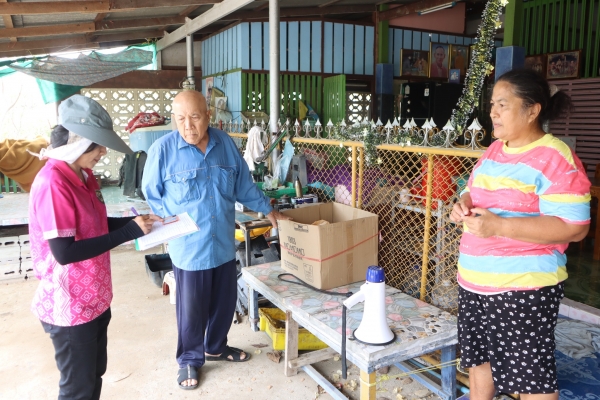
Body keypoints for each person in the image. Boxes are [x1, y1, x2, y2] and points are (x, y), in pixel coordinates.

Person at [450, 69, 591, 400]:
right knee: (480, 362)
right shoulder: (494, 150)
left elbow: (576, 227)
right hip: (474, 283)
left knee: (531, 379)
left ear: (532, 110)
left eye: (503, 104)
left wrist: (499, 226)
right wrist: (463, 203)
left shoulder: (555, 157)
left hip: (522, 289)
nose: (493, 112)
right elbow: (472, 190)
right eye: (492, 104)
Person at [141, 90, 290, 390]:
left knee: (224, 302)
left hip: (221, 242)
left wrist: (269, 209)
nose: (188, 126)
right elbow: (152, 194)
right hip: (190, 248)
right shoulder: (162, 151)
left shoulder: (225, 145)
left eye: (195, 117)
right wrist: (164, 224)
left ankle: (216, 346)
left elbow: (243, 185)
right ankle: (189, 359)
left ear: (209, 116)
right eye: (181, 119)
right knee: (192, 309)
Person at [28, 95, 161, 400]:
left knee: (94, 375)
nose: (103, 151)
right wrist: (128, 231)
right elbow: (64, 252)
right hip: (69, 306)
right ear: (77, 143)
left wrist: (136, 222)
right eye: (98, 145)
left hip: (94, 298)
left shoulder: (84, 176)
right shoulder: (53, 184)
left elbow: (96, 223)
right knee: (78, 388)